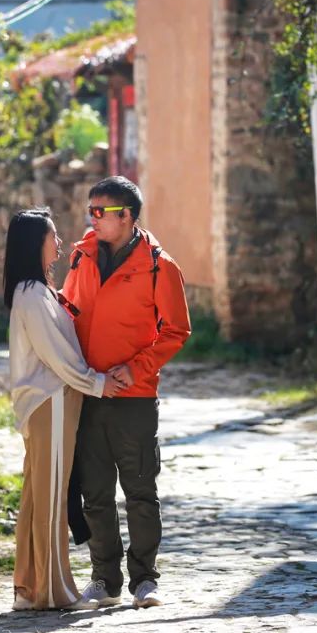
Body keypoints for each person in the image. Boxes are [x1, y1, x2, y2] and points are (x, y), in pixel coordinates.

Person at [61, 176, 192, 609]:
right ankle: (104, 578)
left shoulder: (159, 265)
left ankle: (145, 579)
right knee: (95, 493)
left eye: (102, 212)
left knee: (139, 491)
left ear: (128, 216)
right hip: (87, 391)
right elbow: (67, 312)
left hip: (134, 395)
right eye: (91, 211)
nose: (94, 219)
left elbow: (176, 330)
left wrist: (135, 369)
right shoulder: (81, 257)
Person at [3, 208, 126, 611]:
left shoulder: (36, 291)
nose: (58, 243)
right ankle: (55, 591)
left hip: (49, 402)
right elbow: (56, 355)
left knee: (37, 496)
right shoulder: (32, 295)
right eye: (52, 236)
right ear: (34, 242)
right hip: (50, 402)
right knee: (51, 497)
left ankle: (29, 588)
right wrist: (97, 383)